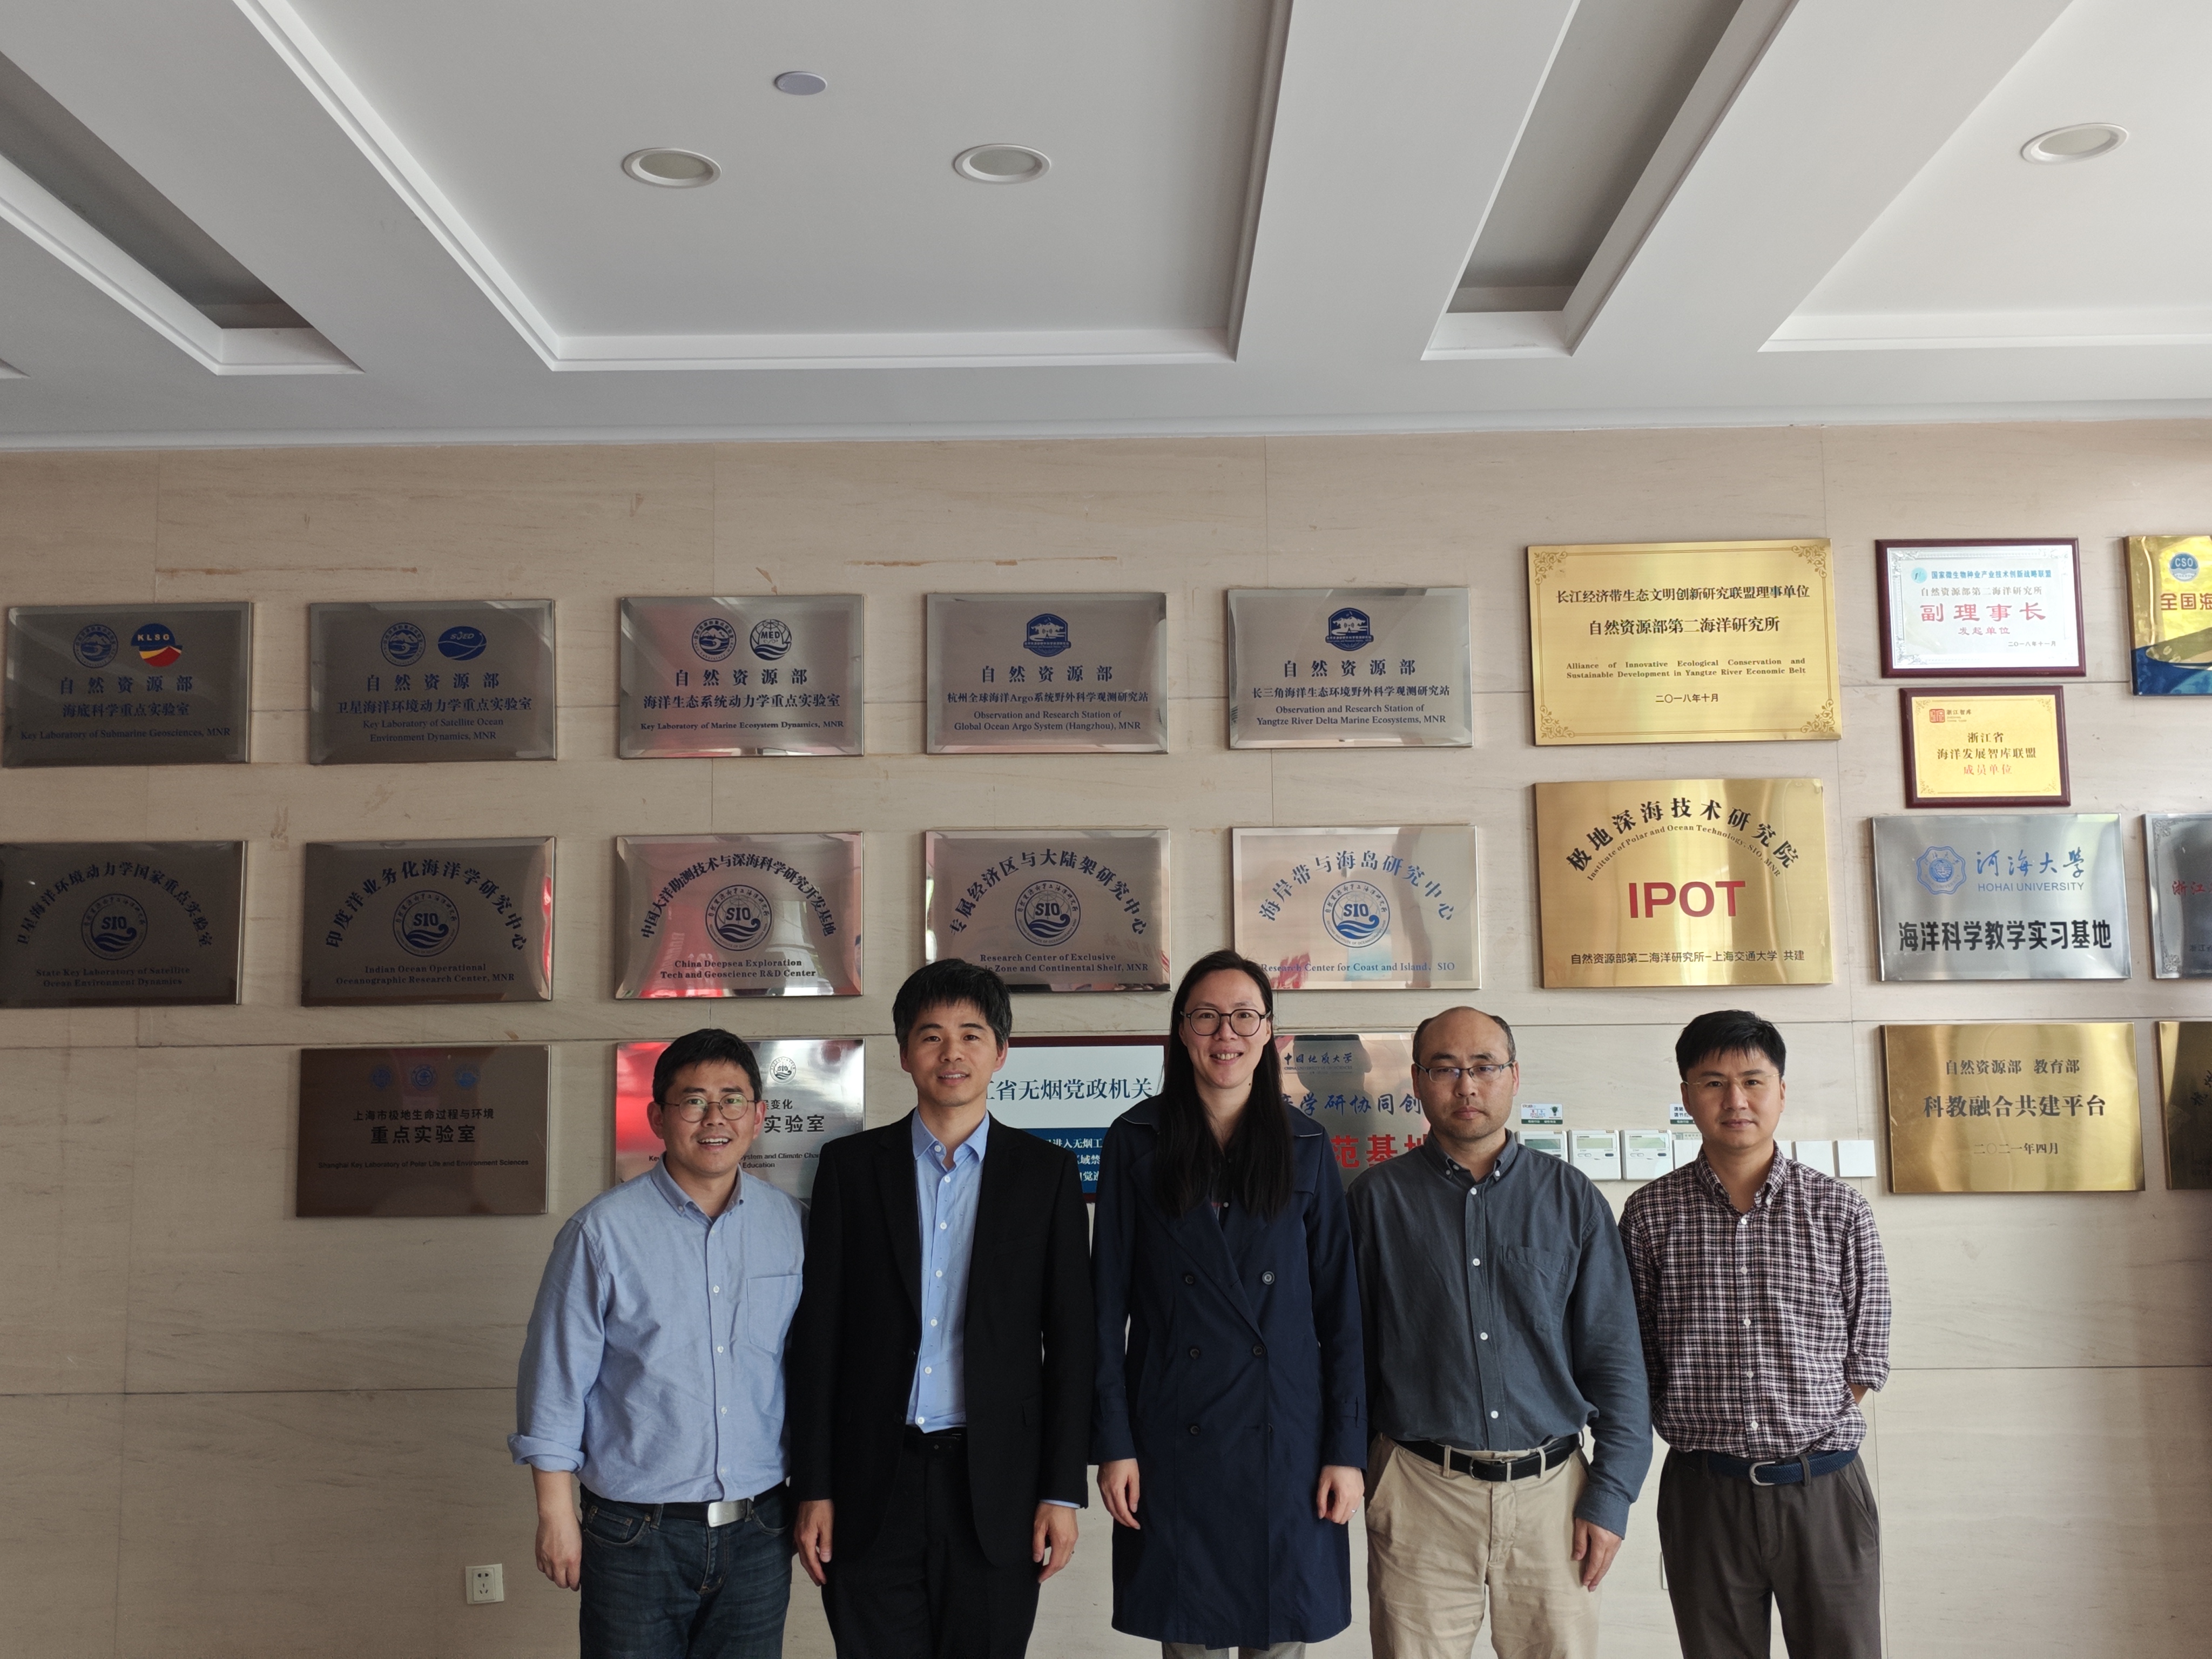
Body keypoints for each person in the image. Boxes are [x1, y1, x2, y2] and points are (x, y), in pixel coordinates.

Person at [786, 959, 1092, 1659]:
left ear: (1001, 1052)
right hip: (871, 1483)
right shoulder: (849, 1169)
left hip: (997, 1488)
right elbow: (819, 1338)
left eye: (971, 1035)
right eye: (931, 1036)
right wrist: (814, 1486)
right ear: (904, 1053)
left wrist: (1061, 1491)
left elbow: (1072, 1343)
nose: (951, 1053)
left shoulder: (1045, 1174)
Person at [1346, 1006, 1651, 1659]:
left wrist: (1611, 1496)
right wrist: (1362, 1470)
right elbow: (1349, 1355)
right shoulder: (1374, 1200)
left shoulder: (1571, 1199)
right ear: (1416, 1081)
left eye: (1484, 1067)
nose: (1466, 1086)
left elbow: (1615, 1360)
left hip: (1553, 1498)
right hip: (1420, 1491)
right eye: (1445, 1069)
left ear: (1514, 1076)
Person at [1091, 948, 1367, 1659]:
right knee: (1191, 1639)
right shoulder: (1135, 1140)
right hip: (1172, 1436)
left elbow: (1341, 1315)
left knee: (1281, 1636)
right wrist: (1114, 1444)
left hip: (1287, 1441)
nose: (1226, 1034)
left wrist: (1346, 1451)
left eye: (1244, 1016)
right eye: (1207, 1016)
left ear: (1268, 1031)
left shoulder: (1307, 1145)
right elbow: (1104, 1310)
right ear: (1181, 1030)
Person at [510, 1027, 804, 1659]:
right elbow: (555, 1381)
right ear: (657, 1118)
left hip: (760, 1529)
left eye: (732, 1099)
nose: (714, 1117)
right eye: (693, 1101)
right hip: (635, 1533)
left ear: (758, 1116)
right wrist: (555, 1515)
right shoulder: (600, 1233)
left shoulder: (791, 1226)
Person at [1621, 1010, 1891, 1659]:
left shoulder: (1839, 1210)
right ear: (1687, 1095)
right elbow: (1636, 1352)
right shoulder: (1650, 1215)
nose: (1735, 1101)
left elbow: (1867, 1352)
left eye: (1752, 1081)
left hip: (1822, 1490)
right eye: (1713, 1083)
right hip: (1703, 1493)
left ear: (1781, 1091)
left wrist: (1798, 1425)